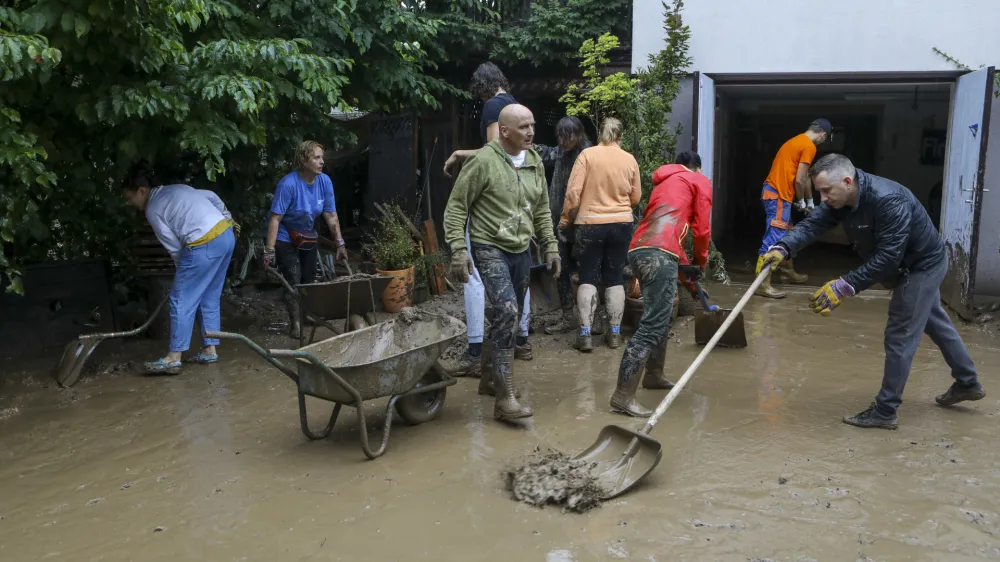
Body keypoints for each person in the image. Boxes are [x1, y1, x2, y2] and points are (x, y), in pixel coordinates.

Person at [762, 154, 986, 429]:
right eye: (819, 191)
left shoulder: (889, 200)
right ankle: (968, 383)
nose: (822, 198)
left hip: (921, 267)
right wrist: (783, 247)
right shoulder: (840, 199)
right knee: (935, 323)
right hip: (902, 266)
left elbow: (888, 257)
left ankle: (885, 411)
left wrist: (844, 285)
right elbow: (813, 224)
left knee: (900, 333)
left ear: (847, 181)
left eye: (825, 191)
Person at [443, 104, 560, 422]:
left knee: (513, 313)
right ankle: (505, 398)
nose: (531, 132)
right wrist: (458, 249)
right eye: (523, 127)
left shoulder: (534, 161)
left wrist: (550, 246)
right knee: (508, 310)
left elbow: (541, 210)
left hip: (520, 247)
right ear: (504, 131)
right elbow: (456, 207)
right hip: (488, 245)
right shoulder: (483, 162)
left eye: (533, 125)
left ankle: (487, 380)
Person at [442, 62, 533, 373]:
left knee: (475, 274)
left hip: (493, 199)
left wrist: (459, 154)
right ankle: (521, 340)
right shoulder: (517, 106)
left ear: (482, 86)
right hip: (515, 199)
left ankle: (475, 349)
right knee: (518, 270)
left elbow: (496, 149)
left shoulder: (495, 105)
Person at [610, 151, 712, 417]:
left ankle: (654, 375)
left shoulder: (664, 183)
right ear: (697, 169)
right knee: (653, 324)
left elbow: (669, 237)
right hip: (659, 254)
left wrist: (688, 276)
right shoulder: (698, 181)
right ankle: (622, 397)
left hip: (640, 250)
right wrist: (701, 263)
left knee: (662, 315)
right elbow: (701, 231)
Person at [121, 163, 237, 374]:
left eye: (130, 198)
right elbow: (210, 195)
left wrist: (182, 277)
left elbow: (174, 248)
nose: (130, 203)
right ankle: (210, 350)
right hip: (226, 236)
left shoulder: (153, 209)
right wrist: (227, 216)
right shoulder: (177, 189)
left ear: (142, 191)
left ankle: (174, 357)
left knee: (180, 298)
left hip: (203, 243)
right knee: (208, 296)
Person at [560, 117, 641, 352]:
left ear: (600, 135)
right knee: (615, 277)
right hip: (621, 224)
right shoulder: (629, 159)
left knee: (588, 277)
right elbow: (635, 197)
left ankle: (585, 335)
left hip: (589, 225)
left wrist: (566, 220)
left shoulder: (587, 156)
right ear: (620, 136)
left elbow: (573, 193)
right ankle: (614, 334)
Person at [262, 140, 348, 339]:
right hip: (284, 235)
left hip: (306, 234)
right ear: (303, 160)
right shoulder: (288, 184)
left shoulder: (324, 182)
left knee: (308, 279)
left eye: (322, 158)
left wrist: (340, 243)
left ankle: (306, 314)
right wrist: (269, 250)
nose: (321, 162)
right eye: (316, 157)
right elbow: (275, 219)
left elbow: (331, 215)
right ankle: (296, 323)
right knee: (293, 277)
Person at [756, 118, 832, 298]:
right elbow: (799, 180)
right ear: (823, 135)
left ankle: (788, 272)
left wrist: (808, 201)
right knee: (774, 238)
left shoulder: (797, 141)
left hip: (776, 193)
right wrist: (801, 201)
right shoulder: (809, 146)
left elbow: (804, 178)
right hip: (779, 194)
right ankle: (762, 284)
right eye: (825, 139)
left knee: (787, 233)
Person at [530, 116, 592, 335]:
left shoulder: (589, 155)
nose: (564, 141)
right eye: (561, 137)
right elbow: (545, 153)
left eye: (569, 136)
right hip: (560, 224)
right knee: (561, 269)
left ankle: (591, 319)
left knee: (588, 272)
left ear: (579, 134)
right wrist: (528, 144)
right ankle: (568, 316)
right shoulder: (560, 152)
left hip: (583, 225)